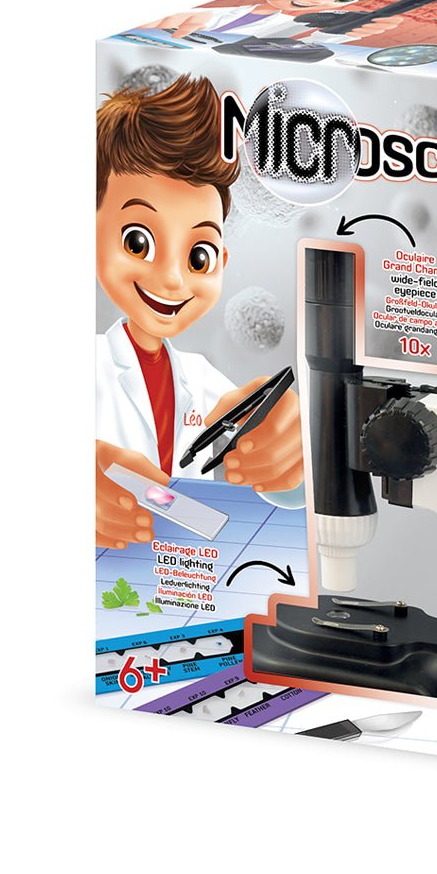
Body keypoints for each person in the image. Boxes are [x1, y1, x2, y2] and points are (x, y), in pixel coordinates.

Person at [96, 74, 303, 550]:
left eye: (198, 256)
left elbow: (281, 497)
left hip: (181, 577)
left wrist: (292, 457)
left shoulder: (205, 382)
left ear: (222, 262)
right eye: (138, 242)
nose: (172, 279)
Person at [137, 0, 403, 44]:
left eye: (345, 0)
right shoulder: (211, 13)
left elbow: (309, 44)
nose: (316, 3)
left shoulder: (298, 27)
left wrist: (343, 35)